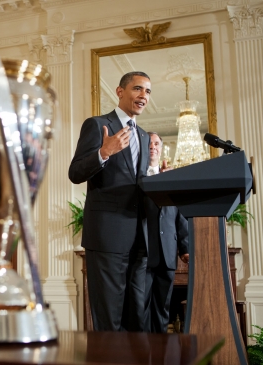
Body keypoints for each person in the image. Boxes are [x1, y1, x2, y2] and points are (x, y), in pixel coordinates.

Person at [68, 71, 151, 332]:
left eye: (148, 91)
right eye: (138, 89)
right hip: (108, 236)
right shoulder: (97, 124)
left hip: (141, 238)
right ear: (120, 91)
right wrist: (104, 152)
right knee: (109, 318)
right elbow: (75, 173)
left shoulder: (145, 136)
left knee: (137, 316)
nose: (143, 96)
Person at [143, 132, 189, 333]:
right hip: (143, 254)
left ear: (161, 149)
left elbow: (180, 215)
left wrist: (185, 247)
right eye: (149, 143)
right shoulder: (136, 177)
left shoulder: (172, 178)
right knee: (141, 309)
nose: (153, 146)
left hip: (168, 255)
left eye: (156, 143)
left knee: (163, 308)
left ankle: (160, 354)